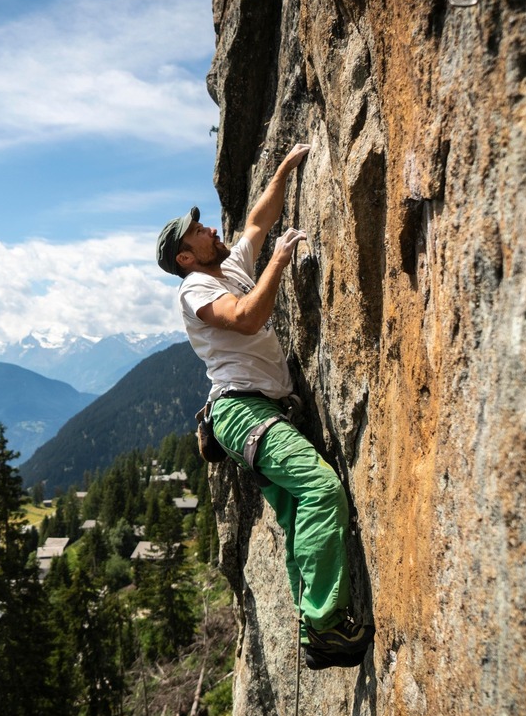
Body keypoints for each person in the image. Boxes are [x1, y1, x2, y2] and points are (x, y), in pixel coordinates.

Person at [156, 143, 371, 669]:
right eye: (198, 233)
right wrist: (279, 260)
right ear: (186, 258)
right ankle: (323, 626)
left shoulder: (227, 266)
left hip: (257, 411)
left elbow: (257, 219)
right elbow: (248, 318)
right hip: (241, 412)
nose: (210, 230)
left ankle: (316, 623)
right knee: (321, 490)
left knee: (302, 511)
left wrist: (284, 169)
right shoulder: (195, 289)